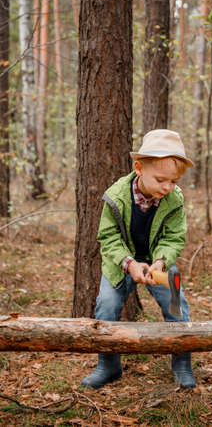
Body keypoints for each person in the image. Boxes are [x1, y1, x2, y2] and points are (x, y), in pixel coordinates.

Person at [81, 129, 196, 389]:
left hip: (158, 263)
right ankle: (108, 366)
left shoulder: (174, 199)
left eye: (174, 181)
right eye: (161, 180)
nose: (167, 187)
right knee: (107, 307)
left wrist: (161, 263)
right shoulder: (116, 196)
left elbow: (174, 238)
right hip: (122, 263)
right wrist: (130, 263)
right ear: (139, 168)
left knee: (177, 305)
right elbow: (108, 237)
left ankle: (182, 363)